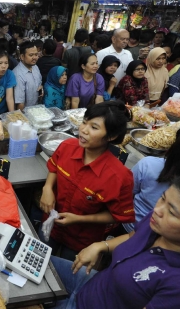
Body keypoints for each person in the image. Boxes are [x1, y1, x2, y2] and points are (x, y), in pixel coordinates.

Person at [51, 174, 180, 309]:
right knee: (33, 257)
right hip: (90, 285)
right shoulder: (158, 224)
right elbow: (132, 237)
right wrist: (101, 246)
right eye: (163, 198)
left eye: (172, 212)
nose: (157, 210)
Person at [38, 101, 134, 260]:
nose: (83, 130)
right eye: (84, 122)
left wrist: (79, 219)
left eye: (94, 127)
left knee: (64, 276)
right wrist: (47, 188)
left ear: (111, 136)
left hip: (81, 240)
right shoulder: (67, 146)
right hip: (50, 224)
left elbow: (116, 215)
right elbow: (54, 166)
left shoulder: (119, 177)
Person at [14, 42, 42, 110]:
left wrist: (41, 88)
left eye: (36, 54)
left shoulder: (35, 67)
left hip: (35, 109)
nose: (35, 57)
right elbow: (20, 103)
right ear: (22, 57)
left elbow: (39, 82)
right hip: (25, 113)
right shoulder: (18, 74)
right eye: (31, 55)